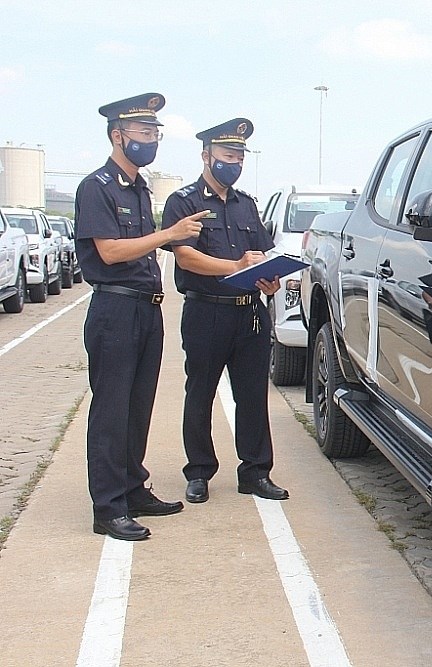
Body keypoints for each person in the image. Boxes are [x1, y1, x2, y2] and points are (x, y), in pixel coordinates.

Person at [75, 93, 206, 541]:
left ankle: (133, 489)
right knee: (111, 410)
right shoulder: (97, 187)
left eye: (155, 133)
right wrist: (169, 234)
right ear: (118, 135)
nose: (151, 140)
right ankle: (108, 507)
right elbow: (110, 252)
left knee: (137, 407)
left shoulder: (139, 188)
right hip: (115, 310)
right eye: (143, 132)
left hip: (146, 308)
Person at [161, 118, 288, 504]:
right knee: (200, 393)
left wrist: (269, 280)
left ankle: (255, 472)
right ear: (206, 156)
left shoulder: (246, 204)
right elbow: (186, 258)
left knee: (252, 395)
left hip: (249, 313)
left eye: (239, 157)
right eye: (228, 155)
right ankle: (199, 471)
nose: (234, 162)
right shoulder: (183, 202)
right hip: (206, 313)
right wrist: (235, 266)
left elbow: (261, 254)